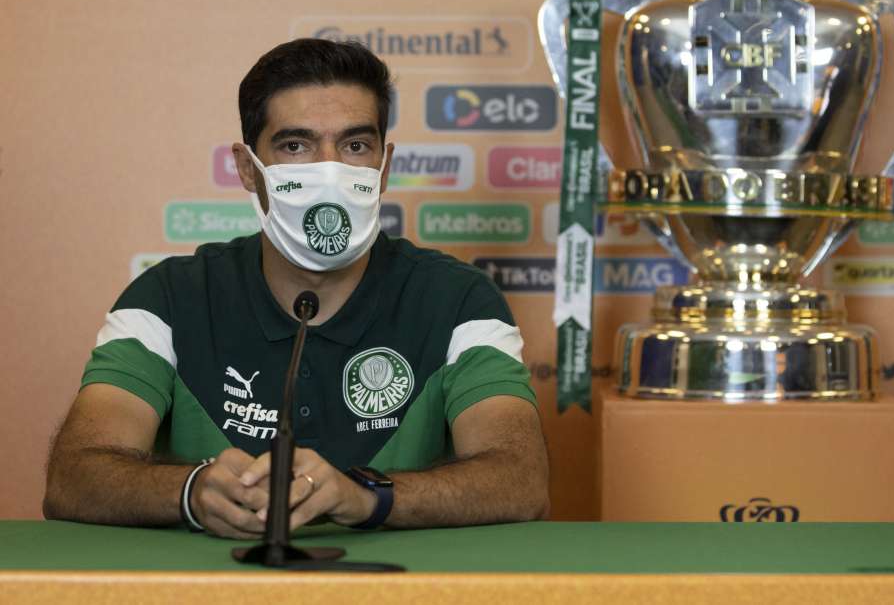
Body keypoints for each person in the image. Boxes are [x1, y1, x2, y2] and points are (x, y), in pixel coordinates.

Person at [43, 39, 549, 538]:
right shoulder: (166, 299)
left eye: (355, 145)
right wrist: (190, 491)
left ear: (384, 166)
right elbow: (74, 476)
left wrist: (368, 496)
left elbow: (520, 480)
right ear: (247, 168)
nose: (328, 171)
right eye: (295, 145)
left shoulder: (459, 301)